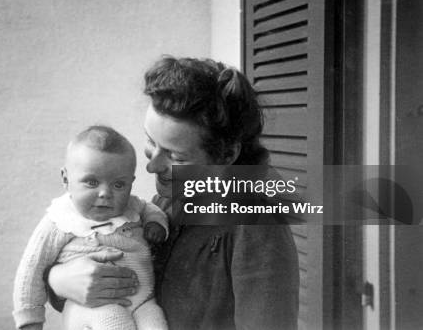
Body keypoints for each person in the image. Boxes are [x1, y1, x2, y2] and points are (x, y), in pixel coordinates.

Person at [46, 56, 300, 330]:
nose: (152, 165)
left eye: (175, 156)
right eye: (150, 141)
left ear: (226, 155)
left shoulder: (257, 227)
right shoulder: (166, 201)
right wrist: (58, 279)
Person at [13, 125, 170, 330]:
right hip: (92, 306)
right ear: (66, 179)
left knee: (156, 324)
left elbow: (153, 210)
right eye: (92, 182)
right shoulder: (60, 220)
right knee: (115, 323)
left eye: (118, 185)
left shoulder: (133, 206)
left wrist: (155, 224)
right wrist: (30, 320)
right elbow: (31, 269)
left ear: (131, 183)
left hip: (143, 301)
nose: (105, 193)